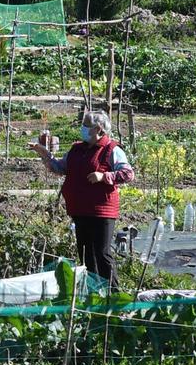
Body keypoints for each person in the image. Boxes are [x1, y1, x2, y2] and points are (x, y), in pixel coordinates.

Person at [33, 109, 135, 293]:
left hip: (101, 210)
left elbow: (128, 174)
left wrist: (104, 176)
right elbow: (59, 168)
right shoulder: (77, 149)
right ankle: (95, 294)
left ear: (99, 130)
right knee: (86, 255)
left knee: (102, 253)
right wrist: (45, 154)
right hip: (80, 209)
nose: (83, 129)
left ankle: (115, 295)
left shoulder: (111, 149)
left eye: (87, 125)